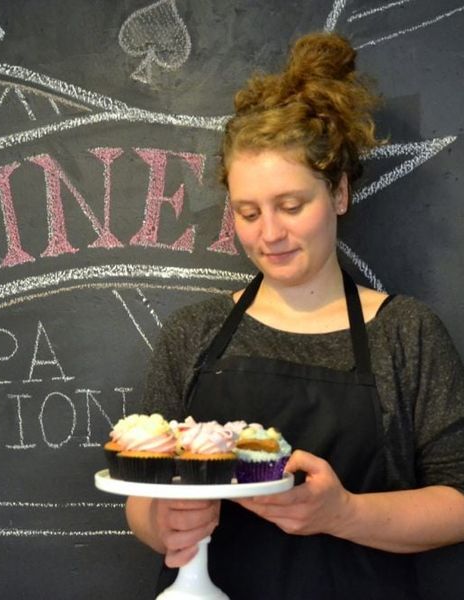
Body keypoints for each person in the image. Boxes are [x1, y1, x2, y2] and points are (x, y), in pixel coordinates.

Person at [125, 31, 464, 599]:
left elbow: (458, 502)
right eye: (248, 212)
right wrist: (162, 525)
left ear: (338, 193)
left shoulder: (407, 334)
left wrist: (344, 514)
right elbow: (141, 491)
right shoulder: (196, 333)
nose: (270, 234)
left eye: (291, 205)